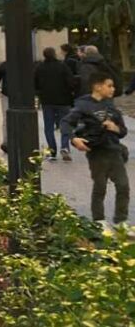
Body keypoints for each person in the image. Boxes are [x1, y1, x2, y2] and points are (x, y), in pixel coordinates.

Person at [61, 72, 129, 225]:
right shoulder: (83, 105)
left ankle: (121, 222)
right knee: (100, 186)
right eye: (109, 85)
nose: (113, 89)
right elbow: (66, 123)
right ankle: (99, 221)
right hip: (96, 153)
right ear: (98, 87)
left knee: (123, 186)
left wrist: (115, 128)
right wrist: (74, 139)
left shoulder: (111, 106)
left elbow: (123, 131)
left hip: (114, 150)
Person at [34, 46, 78, 161]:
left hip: (47, 101)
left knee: (48, 126)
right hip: (63, 101)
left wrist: (39, 93)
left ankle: (52, 151)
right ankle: (64, 147)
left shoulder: (40, 67)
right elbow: (71, 82)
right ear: (54, 54)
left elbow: (34, 83)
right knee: (65, 124)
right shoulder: (62, 66)